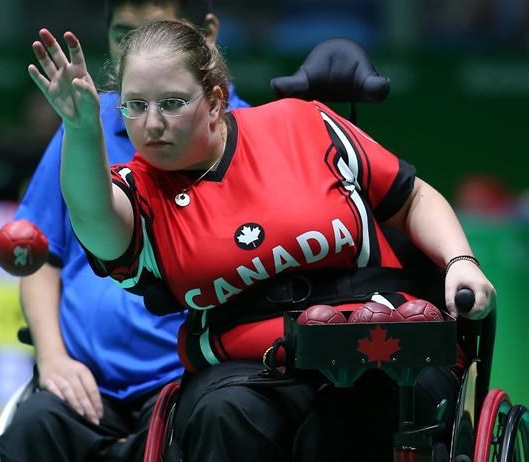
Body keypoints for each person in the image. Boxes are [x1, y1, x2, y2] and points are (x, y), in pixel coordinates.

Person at [28, 20, 496, 461]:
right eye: (135, 105)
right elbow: (93, 216)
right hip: (249, 370)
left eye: (171, 103)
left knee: (354, 418)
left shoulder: (303, 124)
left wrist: (460, 261)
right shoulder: (142, 192)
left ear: (214, 101)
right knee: (223, 414)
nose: (151, 124)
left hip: (379, 341)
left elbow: (411, 198)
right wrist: (81, 127)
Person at [0, 3, 249, 462]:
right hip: (82, 383)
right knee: (31, 425)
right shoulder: (86, 122)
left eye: (156, 32)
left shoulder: (242, 133)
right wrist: (52, 358)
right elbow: (42, 257)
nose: (140, 50)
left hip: (187, 383)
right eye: (123, 36)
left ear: (206, 35)